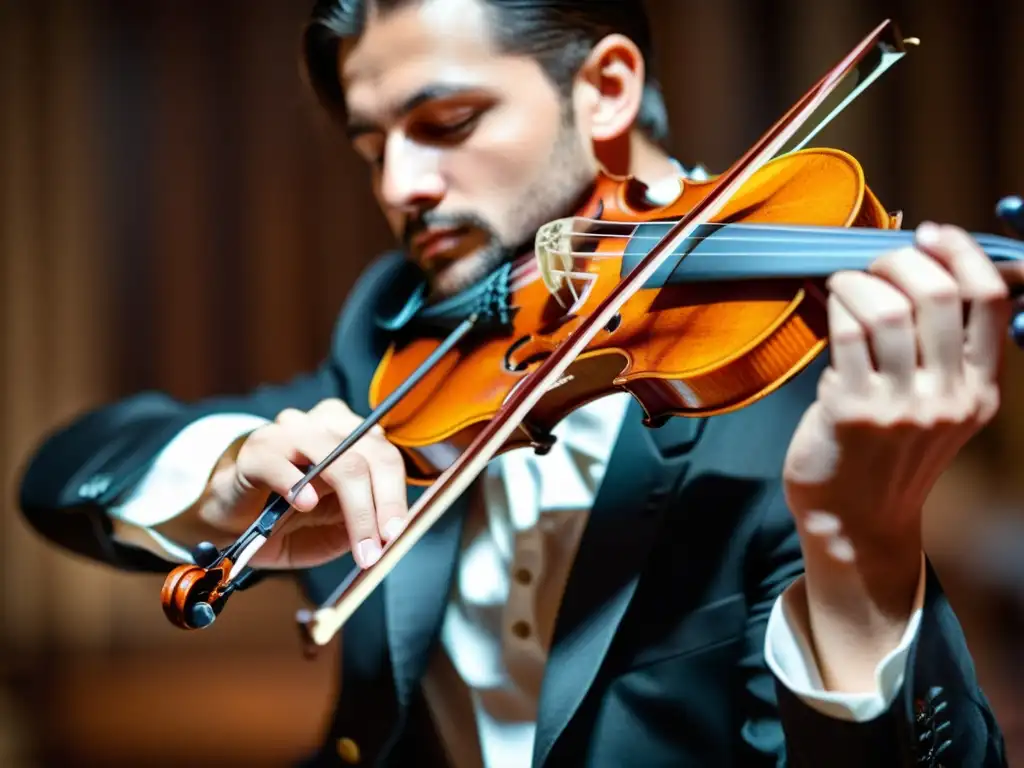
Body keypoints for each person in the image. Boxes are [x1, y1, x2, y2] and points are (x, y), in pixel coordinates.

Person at [17, 0, 1012, 766]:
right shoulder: (401, 333)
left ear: (607, 88)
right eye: (371, 148)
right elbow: (69, 470)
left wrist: (861, 560)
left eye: (445, 122)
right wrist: (226, 465)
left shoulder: (793, 398)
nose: (398, 185)